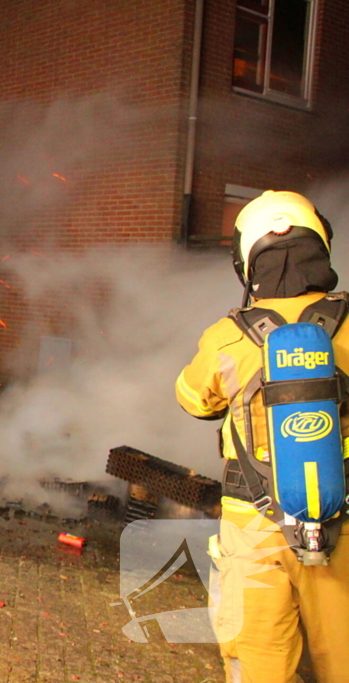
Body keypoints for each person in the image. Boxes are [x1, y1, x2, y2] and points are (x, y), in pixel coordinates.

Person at [176, 190, 349, 682]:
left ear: (246, 262)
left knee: (258, 664)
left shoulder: (227, 338)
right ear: (322, 246)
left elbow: (192, 399)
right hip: (345, 523)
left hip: (253, 525)